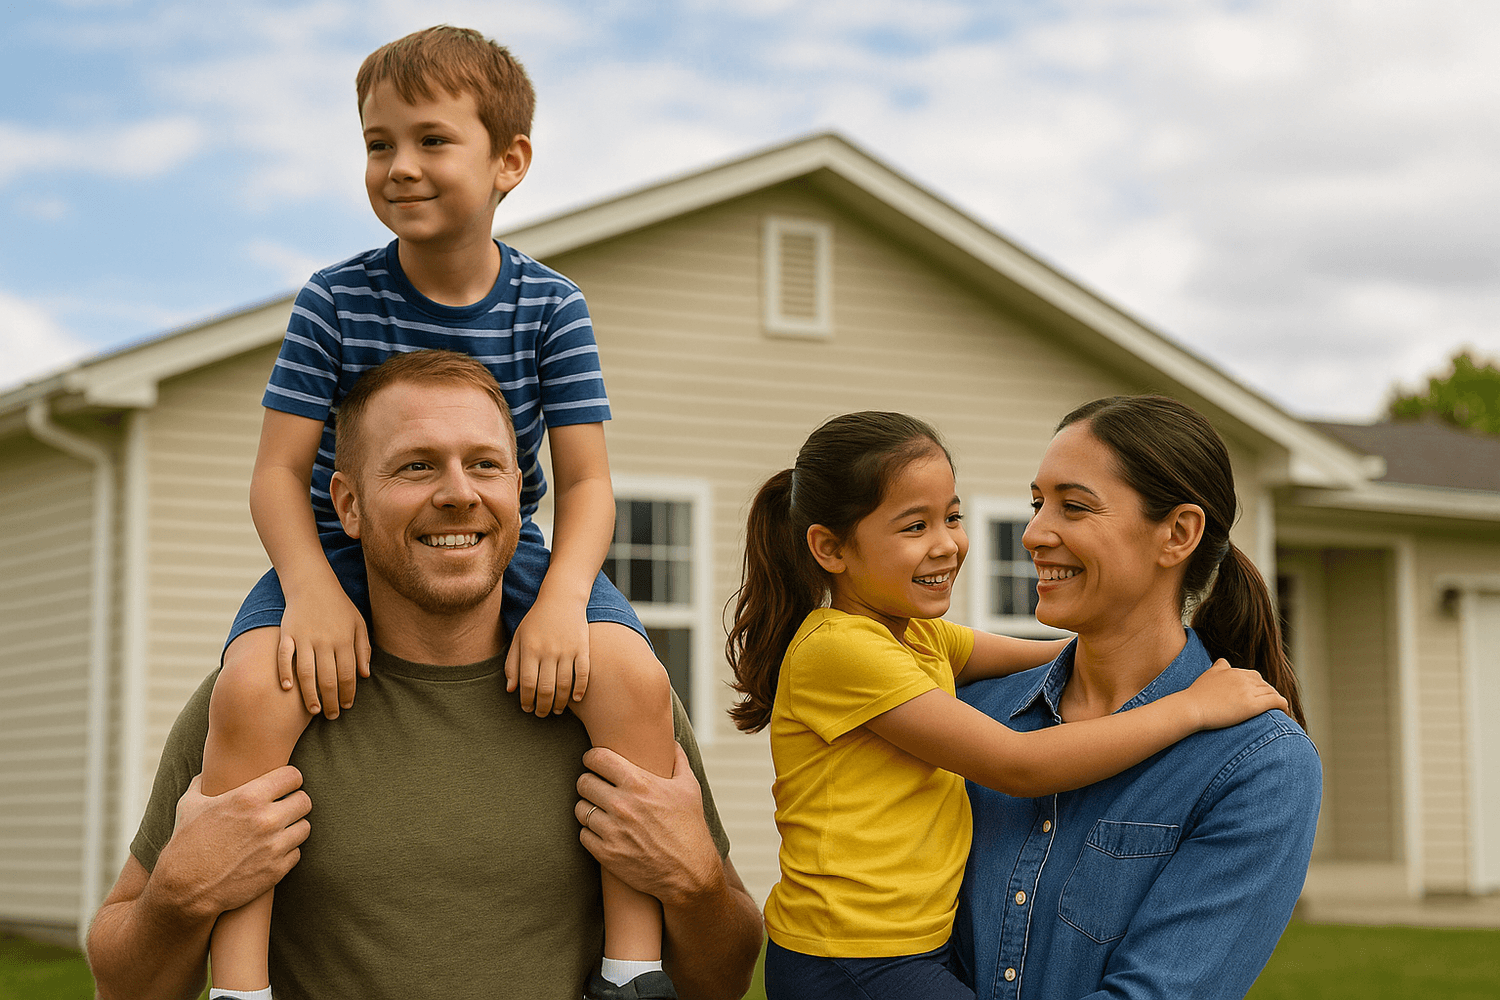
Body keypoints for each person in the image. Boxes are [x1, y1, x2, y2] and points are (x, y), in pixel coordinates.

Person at [197, 26, 680, 1000]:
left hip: (512, 554)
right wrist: (310, 593)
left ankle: (633, 970)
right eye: (379, 144)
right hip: (343, 544)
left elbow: (585, 483)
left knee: (627, 673)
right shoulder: (335, 300)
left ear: (510, 162)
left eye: (430, 140)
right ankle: (240, 986)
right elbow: (276, 474)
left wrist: (560, 602)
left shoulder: (550, 307)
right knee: (256, 689)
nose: (400, 167)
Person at [84, 352, 763, 1000]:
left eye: (485, 465)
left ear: (518, 493)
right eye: (416, 466)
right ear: (347, 505)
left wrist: (696, 881)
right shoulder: (259, 694)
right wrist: (177, 895)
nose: (459, 494)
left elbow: (724, 981)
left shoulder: (618, 693)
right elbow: (122, 987)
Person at [724, 411, 1289, 1000]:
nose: (949, 543)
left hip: (899, 951)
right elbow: (1018, 763)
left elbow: (1047, 654)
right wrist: (1188, 707)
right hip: (852, 961)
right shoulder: (842, 649)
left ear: (1178, 535)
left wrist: (1141, 649)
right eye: (915, 526)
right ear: (829, 549)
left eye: (952, 517)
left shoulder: (917, 638)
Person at [952, 394, 1321, 999]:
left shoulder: (1260, 767)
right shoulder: (972, 718)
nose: (1034, 534)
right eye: (1038, 504)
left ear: (1177, 534)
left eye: (1073, 507)